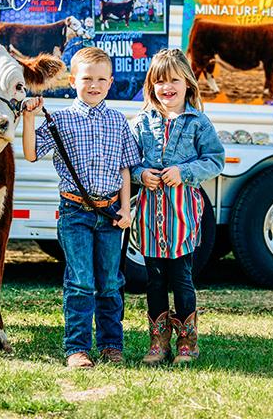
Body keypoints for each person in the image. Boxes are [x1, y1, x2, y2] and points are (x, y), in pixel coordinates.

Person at [22, 47, 141, 369]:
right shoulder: (60, 119)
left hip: (111, 214)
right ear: (73, 80)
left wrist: (126, 209)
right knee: (80, 282)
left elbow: (125, 169)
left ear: (111, 82)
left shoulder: (118, 121)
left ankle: (110, 345)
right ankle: (77, 348)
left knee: (110, 283)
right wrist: (29, 119)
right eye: (87, 78)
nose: (94, 85)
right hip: (75, 213)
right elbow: (32, 153)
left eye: (101, 79)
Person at [130, 49, 224, 365]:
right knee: (154, 279)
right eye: (160, 81)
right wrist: (141, 174)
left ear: (187, 82)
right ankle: (159, 342)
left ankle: (187, 342)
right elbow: (127, 163)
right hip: (148, 216)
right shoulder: (141, 122)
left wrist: (183, 172)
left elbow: (215, 160)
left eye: (173, 80)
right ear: (151, 85)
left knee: (182, 278)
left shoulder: (198, 122)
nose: (167, 87)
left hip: (182, 216)